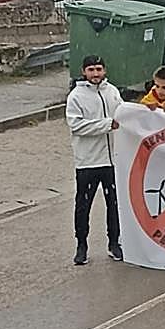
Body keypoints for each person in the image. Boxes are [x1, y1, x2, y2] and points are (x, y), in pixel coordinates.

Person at [65, 55, 124, 265]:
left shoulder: (113, 92)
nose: (96, 74)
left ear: (104, 70)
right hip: (88, 161)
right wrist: (107, 124)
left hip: (112, 161)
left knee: (115, 205)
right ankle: (81, 245)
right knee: (83, 205)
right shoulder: (76, 97)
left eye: (99, 69)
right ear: (84, 72)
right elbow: (77, 126)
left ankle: (114, 242)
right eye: (91, 70)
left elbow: (124, 116)